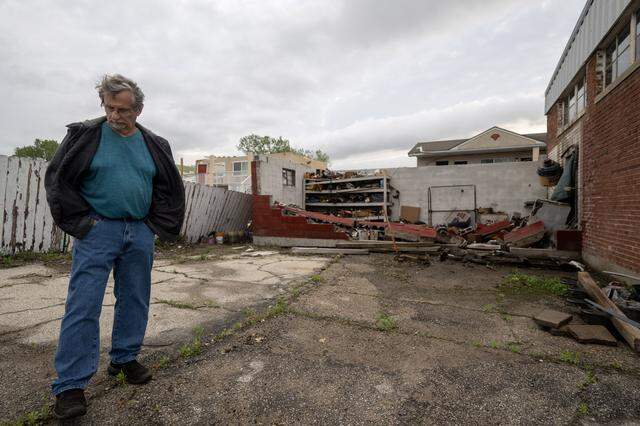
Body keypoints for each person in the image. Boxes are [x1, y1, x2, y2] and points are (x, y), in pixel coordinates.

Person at [44, 74, 185, 420]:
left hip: (138, 232)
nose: (114, 116)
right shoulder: (84, 136)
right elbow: (58, 179)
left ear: (138, 110)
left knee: (135, 298)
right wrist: (83, 224)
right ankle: (71, 385)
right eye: (109, 108)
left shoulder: (155, 144)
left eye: (122, 110)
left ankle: (123, 360)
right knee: (83, 304)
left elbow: (168, 187)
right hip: (98, 231)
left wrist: (153, 225)